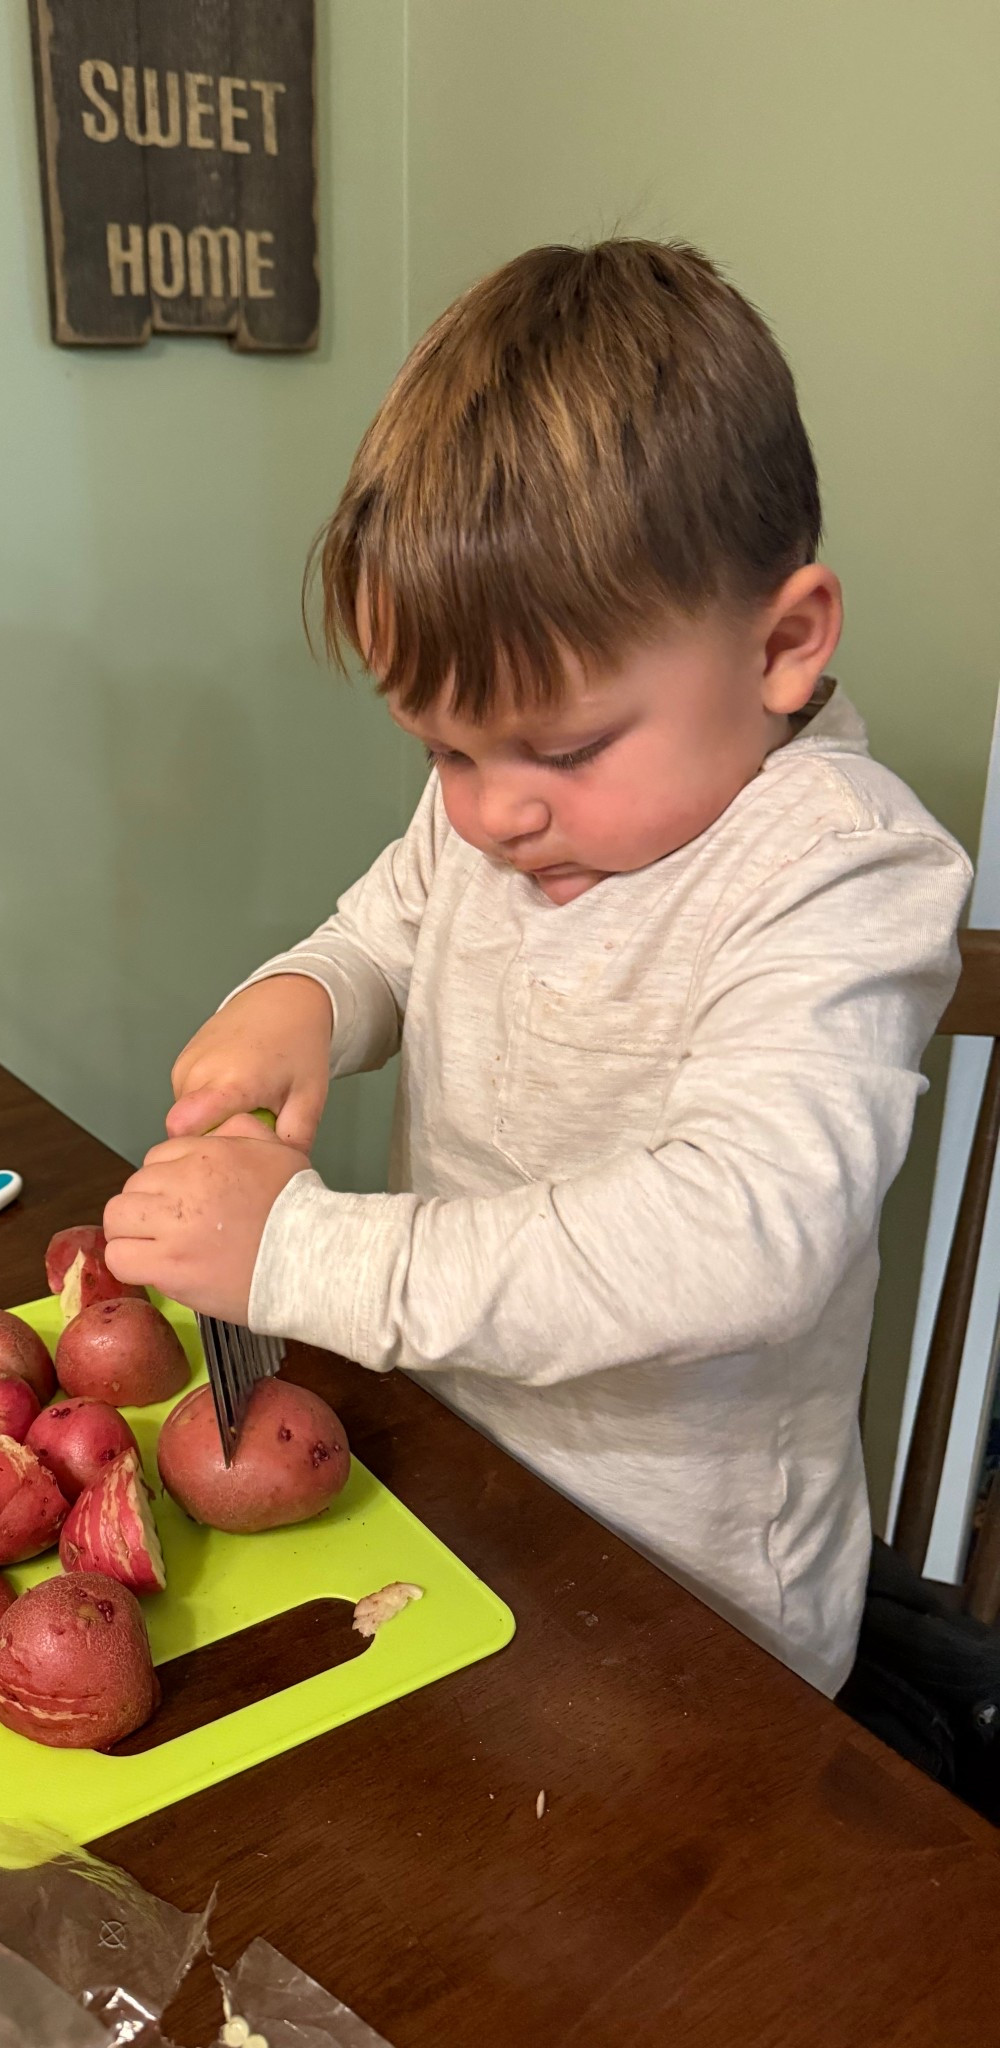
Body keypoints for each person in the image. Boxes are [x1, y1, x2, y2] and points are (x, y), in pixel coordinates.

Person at [101, 239, 971, 1696]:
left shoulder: (839, 866)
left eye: (560, 750)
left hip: (694, 1612)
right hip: (467, 1485)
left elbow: (746, 1235)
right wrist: (308, 995)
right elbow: (389, 926)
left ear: (785, 643)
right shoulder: (505, 821)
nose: (492, 810)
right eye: (442, 747)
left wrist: (306, 1252)